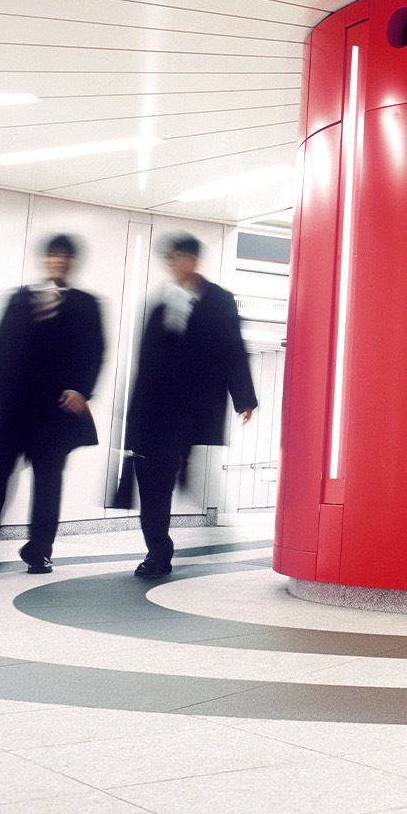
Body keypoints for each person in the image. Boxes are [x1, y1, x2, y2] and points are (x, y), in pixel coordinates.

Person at [0, 233, 105, 573]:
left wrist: (81, 390)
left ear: (72, 262)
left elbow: (96, 353)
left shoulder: (86, 304)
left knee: (48, 484)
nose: (59, 261)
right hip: (10, 410)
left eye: (65, 257)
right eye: (54, 255)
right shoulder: (19, 300)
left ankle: (39, 550)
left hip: (55, 412)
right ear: (45, 260)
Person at [125, 231, 256, 578]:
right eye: (170, 259)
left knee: (163, 470)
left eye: (180, 257)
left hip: (190, 409)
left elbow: (233, 349)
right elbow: (144, 362)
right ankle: (157, 551)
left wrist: (244, 397)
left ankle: (180, 465)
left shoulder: (218, 301)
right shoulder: (159, 303)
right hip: (153, 409)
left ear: (194, 260)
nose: (175, 265)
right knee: (152, 482)